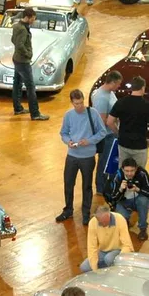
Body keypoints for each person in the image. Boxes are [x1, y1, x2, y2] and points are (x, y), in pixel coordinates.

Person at [56, 90, 106, 225]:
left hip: (88, 156)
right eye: (76, 104)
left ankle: (86, 213)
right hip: (72, 155)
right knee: (68, 183)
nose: (79, 106)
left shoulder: (93, 113)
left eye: (81, 103)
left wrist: (89, 141)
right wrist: (68, 142)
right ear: (72, 103)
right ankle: (68, 210)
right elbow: (64, 133)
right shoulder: (69, 115)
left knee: (87, 186)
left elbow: (102, 132)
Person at [107, 76, 149, 167]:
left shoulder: (121, 102)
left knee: (123, 171)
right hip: (140, 146)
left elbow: (109, 122)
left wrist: (118, 133)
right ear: (143, 88)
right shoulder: (147, 106)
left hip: (123, 144)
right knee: (139, 172)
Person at [10, 7, 49, 120]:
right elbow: (20, 45)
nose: (34, 20)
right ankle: (35, 113)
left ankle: (18, 108)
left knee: (17, 84)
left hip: (16, 59)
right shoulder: (23, 29)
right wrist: (28, 54)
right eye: (33, 18)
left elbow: (13, 40)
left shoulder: (16, 26)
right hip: (23, 61)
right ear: (27, 17)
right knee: (30, 87)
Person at [106, 157, 149, 241]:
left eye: (132, 171)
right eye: (127, 171)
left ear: (136, 169)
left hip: (138, 200)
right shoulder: (118, 175)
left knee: (144, 201)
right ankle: (125, 222)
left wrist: (138, 189)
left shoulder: (142, 173)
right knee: (122, 221)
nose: (129, 174)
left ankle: (143, 229)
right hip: (123, 202)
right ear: (122, 169)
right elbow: (113, 198)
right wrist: (120, 189)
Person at [90, 70, 121, 193]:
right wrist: (116, 132)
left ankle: (108, 185)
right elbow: (103, 121)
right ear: (112, 82)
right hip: (107, 135)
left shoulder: (110, 93)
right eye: (118, 84)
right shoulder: (101, 98)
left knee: (110, 160)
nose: (119, 86)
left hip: (111, 134)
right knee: (104, 161)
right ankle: (101, 187)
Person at [80, 204, 132, 272]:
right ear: (96, 218)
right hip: (102, 251)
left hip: (118, 250)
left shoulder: (120, 219)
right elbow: (92, 247)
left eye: (105, 221)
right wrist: (95, 270)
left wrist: (121, 259)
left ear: (109, 214)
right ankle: (106, 269)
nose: (104, 224)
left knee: (109, 259)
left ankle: (112, 272)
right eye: (101, 222)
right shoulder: (92, 223)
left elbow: (127, 245)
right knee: (84, 267)